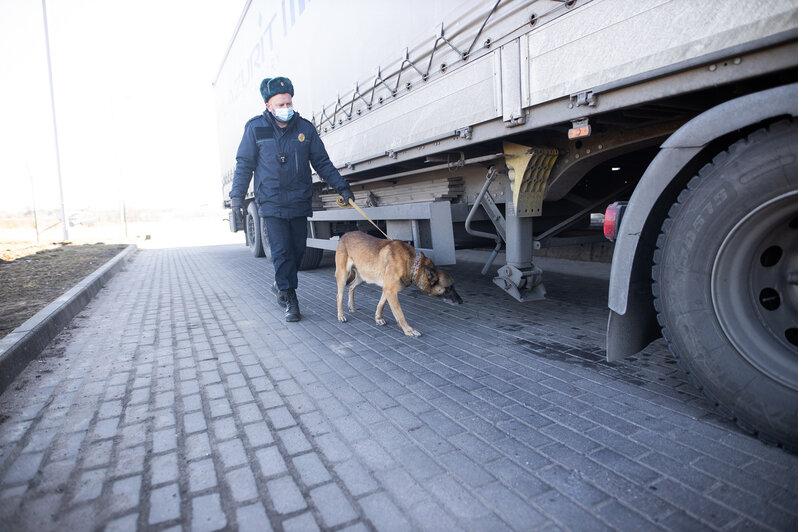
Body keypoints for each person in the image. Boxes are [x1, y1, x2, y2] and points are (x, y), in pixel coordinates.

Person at [230, 76, 354, 322]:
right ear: (269, 106)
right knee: (282, 252)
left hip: (298, 201)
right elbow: (244, 165)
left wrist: (343, 187)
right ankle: (290, 297)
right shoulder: (256, 128)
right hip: (272, 203)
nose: (286, 109)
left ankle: (281, 284)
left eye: (289, 103)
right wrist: (236, 198)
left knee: (298, 251)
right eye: (280, 104)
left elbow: (322, 163)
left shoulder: (304, 129)